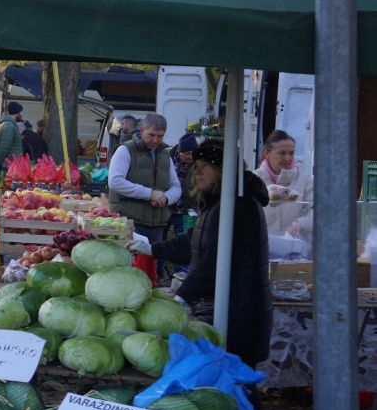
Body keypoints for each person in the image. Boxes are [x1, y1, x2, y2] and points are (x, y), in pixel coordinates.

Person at [149, 140, 272, 369]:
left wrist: (183, 296)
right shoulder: (219, 202)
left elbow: (215, 261)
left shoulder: (238, 205)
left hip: (238, 313)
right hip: (230, 308)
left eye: (205, 166)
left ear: (223, 169)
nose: (197, 172)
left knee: (234, 380)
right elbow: (195, 242)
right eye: (196, 166)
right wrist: (152, 249)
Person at [107, 111, 181, 244]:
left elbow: (176, 186)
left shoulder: (165, 155)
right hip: (128, 223)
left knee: (153, 258)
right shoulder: (125, 150)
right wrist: (150, 194)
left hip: (158, 225)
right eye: (151, 135)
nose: (155, 140)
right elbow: (115, 182)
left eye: (160, 136)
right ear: (142, 130)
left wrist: (166, 198)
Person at [253, 129, 314, 238]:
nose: (288, 158)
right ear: (266, 153)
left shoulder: (305, 180)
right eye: (282, 153)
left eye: (291, 153)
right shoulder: (254, 179)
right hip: (260, 245)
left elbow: (319, 209)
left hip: (294, 245)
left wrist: (301, 224)